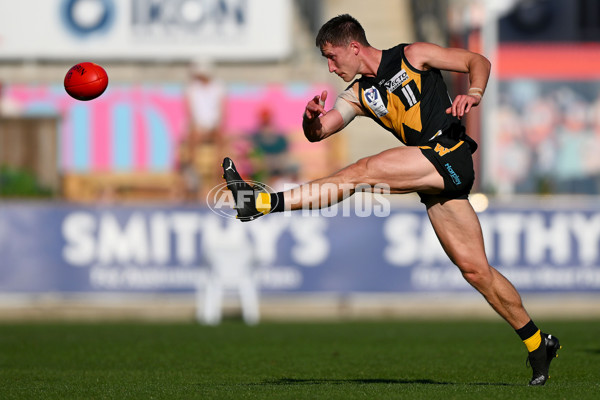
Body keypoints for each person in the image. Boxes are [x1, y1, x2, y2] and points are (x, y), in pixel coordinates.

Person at [221, 14, 560, 386]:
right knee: (477, 271)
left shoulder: (413, 55)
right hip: (433, 179)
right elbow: (321, 131)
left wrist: (473, 93)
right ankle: (536, 342)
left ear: (354, 47)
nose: (331, 67)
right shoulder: (359, 93)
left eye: (332, 57)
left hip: (449, 153)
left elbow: (477, 61)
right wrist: (309, 120)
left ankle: (260, 203)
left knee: (360, 171)